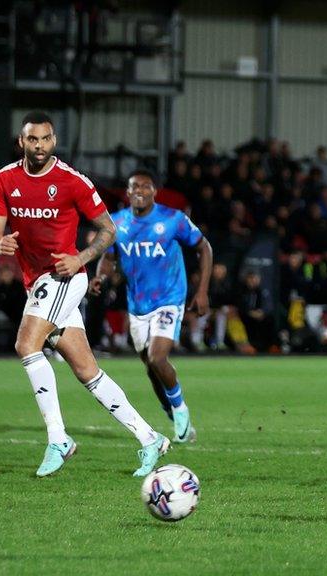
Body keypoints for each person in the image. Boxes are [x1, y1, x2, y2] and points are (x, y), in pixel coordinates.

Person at [0, 111, 169, 477]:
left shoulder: (72, 181)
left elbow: (108, 230)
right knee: (87, 370)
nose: (39, 146)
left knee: (26, 346)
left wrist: (79, 258)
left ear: (54, 140)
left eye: (46, 139)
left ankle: (58, 439)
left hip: (64, 276)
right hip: (36, 281)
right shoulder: (4, 179)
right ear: (22, 142)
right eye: (32, 140)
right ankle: (150, 438)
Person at [91, 169, 212, 443]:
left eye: (146, 187)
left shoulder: (173, 219)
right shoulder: (117, 222)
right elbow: (109, 257)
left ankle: (180, 409)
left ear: (154, 191)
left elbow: (204, 247)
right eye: (135, 187)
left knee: (158, 358)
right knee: (150, 366)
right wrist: (100, 276)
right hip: (137, 305)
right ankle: (170, 409)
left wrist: (202, 291)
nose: (140, 191)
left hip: (169, 298)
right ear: (128, 192)